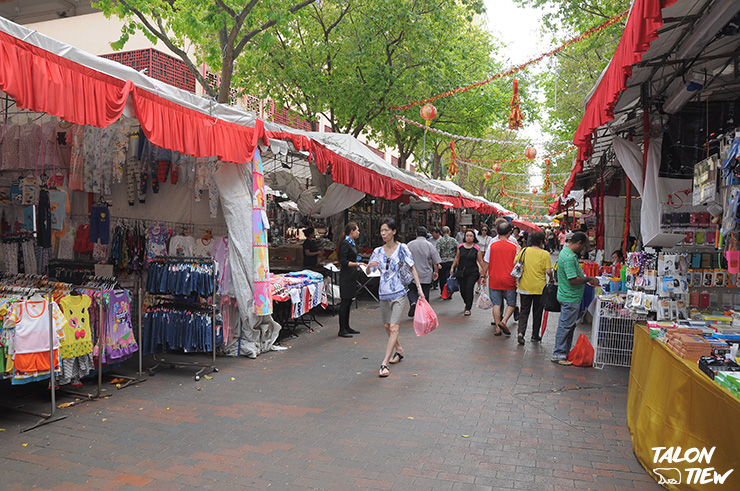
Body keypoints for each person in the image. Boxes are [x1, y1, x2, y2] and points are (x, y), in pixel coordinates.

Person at [368, 218, 424, 378]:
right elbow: (369, 272)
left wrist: (419, 288)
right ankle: (399, 350)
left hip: (399, 292)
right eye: (381, 231)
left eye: (386, 230)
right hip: (383, 293)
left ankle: (384, 363)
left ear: (394, 231)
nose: (383, 233)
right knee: (387, 326)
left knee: (394, 327)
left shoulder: (402, 248)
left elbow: (412, 267)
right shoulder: (378, 251)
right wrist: (369, 267)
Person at [551, 232, 600, 365]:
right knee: (565, 326)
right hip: (569, 297)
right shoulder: (568, 257)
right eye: (584, 246)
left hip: (570, 296)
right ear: (579, 243)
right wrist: (589, 278)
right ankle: (559, 354)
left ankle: (563, 353)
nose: (583, 249)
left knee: (568, 326)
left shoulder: (568, 254)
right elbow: (573, 280)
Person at [515, 231, 553, 345]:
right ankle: (534, 335)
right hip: (539, 287)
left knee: (524, 311)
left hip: (524, 286)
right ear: (542, 241)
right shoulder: (545, 254)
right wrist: (551, 278)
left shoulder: (524, 251)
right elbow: (548, 271)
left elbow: (515, 262)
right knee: (537, 312)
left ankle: (521, 332)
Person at [481, 221, 518, 336]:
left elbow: (486, 263)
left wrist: (483, 276)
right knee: (511, 304)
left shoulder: (492, 245)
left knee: (497, 304)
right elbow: (518, 264)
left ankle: (497, 327)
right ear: (509, 233)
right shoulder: (515, 246)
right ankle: (504, 321)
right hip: (510, 279)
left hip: (494, 279)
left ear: (497, 232)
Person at [406, 226, 441, 317]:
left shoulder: (409, 245)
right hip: (426, 273)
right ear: (426, 234)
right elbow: (436, 261)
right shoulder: (430, 245)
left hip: (412, 273)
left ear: (416, 234)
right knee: (425, 293)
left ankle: (413, 302)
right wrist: (436, 271)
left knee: (411, 290)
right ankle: (423, 312)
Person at [451, 230, 485, 316]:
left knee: (469, 288)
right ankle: (467, 302)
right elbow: (457, 258)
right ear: (464, 237)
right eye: (467, 236)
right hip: (461, 272)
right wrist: (452, 267)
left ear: (474, 238)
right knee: (462, 290)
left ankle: (468, 308)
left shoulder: (476, 248)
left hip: (473, 272)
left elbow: (480, 261)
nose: (469, 237)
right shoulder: (460, 247)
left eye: (471, 236)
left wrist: (484, 272)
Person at [337, 222, 362, 338]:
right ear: (351, 231)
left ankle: (347, 326)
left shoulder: (351, 243)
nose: (359, 232)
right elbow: (343, 261)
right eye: (357, 230)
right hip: (346, 277)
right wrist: (357, 264)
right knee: (345, 302)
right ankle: (342, 329)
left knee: (349, 302)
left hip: (351, 276)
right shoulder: (345, 244)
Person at [436, 226, 457, 298]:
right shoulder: (453, 240)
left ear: (441, 232)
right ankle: (449, 292)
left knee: (442, 278)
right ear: (449, 232)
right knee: (449, 277)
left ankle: (443, 292)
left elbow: (437, 252)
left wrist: (437, 263)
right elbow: (458, 250)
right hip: (451, 261)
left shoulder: (439, 241)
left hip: (442, 262)